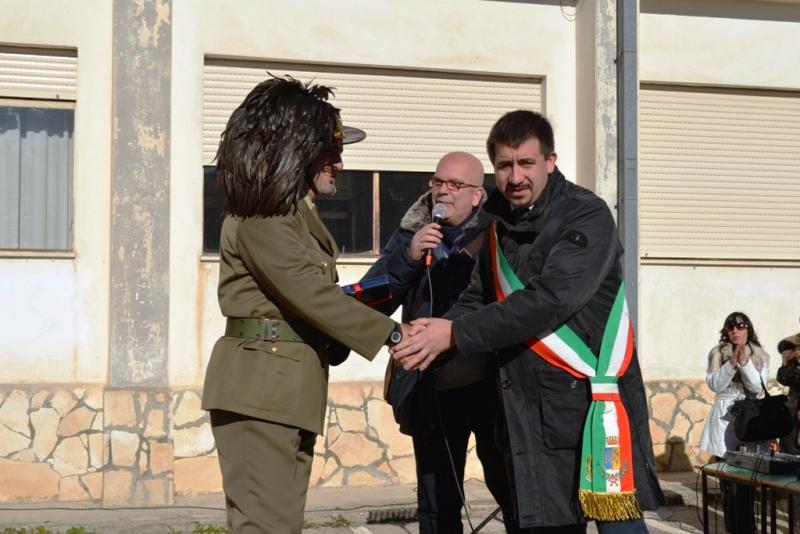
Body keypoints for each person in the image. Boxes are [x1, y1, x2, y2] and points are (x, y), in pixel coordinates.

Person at [390, 110, 664, 532]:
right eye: (504, 166)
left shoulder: (585, 214)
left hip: (593, 409)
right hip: (529, 412)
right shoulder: (498, 226)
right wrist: (433, 332)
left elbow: (550, 299)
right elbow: (478, 296)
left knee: (619, 528)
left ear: (550, 161)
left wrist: (456, 333)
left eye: (526, 163)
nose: (515, 177)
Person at [201, 75, 409, 534]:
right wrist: (394, 335)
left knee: (278, 525)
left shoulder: (293, 214)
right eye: (328, 150)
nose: (338, 161)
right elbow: (308, 293)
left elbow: (316, 300)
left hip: (284, 388)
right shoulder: (264, 213)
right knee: (265, 526)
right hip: (261, 389)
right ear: (295, 151)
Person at [364, 151, 525, 533]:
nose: (444, 192)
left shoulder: (499, 231)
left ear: (476, 195)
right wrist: (408, 255)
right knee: (437, 503)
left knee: (513, 491)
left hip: (491, 385)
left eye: (456, 185)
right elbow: (371, 299)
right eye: (438, 182)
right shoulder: (411, 234)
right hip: (432, 386)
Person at [699, 312, 770, 534]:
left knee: (747, 480)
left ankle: (746, 528)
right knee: (727, 479)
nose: (735, 330)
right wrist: (730, 365)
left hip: (750, 419)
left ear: (748, 328)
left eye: (740, 325)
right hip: (724, 418)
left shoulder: (760, 356)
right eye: (731, 326)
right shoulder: (717, 354)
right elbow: (715, 385)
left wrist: (745, 363)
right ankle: (733, 527)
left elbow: (757, 388)